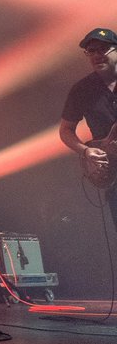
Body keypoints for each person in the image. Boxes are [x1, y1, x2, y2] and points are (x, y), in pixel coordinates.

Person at [59, 27, 117, 218]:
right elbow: (66, 130)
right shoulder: (82, 90)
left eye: (102, 49)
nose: (96, 55)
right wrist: (86, 150)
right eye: (91, 51)